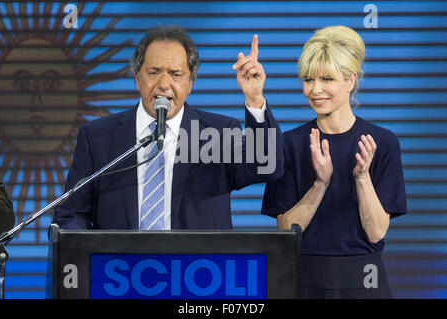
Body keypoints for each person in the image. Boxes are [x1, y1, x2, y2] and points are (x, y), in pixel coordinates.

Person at [52, 25, 283, 230]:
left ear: (190, 83)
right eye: (154, 72)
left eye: (175, 74)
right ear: (136, 78)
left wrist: (255, 99)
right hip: (120, 271)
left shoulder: (219, 133)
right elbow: (71, 213)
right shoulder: (97, 137)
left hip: (200, 273)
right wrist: (90, 252)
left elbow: (265, 167)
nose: (163, 84)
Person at [261, 26, 406, 298]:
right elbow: (286, 230)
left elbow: (376, 232)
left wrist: (362, 178)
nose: (316, 90)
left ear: (351, 80)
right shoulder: (289, 144)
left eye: (327, 78)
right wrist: (320, 183)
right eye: (308, 79)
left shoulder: (382, 143)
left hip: (365, 280)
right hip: (303, 278)